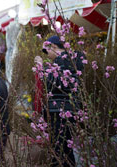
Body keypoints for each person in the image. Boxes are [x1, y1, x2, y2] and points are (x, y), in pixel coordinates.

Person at [39, 36, 85, 167]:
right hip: (68, 108)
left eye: (46, 51)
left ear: (53, 46)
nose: (47, 55)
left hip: (60, 110)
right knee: (65, 148)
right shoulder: (73, 59)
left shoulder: (63, 60)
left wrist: (42, 69)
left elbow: (62, 84)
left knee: (60, 148)